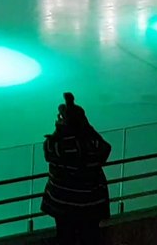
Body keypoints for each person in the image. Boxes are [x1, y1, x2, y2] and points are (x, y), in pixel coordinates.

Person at [41, 92, 111, 245]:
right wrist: (88, 128)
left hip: (62, 204)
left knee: (65, 238)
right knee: (90, 238)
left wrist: (60, 129)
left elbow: (49, 148)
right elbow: (106, 149)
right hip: (91, 204)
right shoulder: (91, 146)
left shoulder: (56, 147)